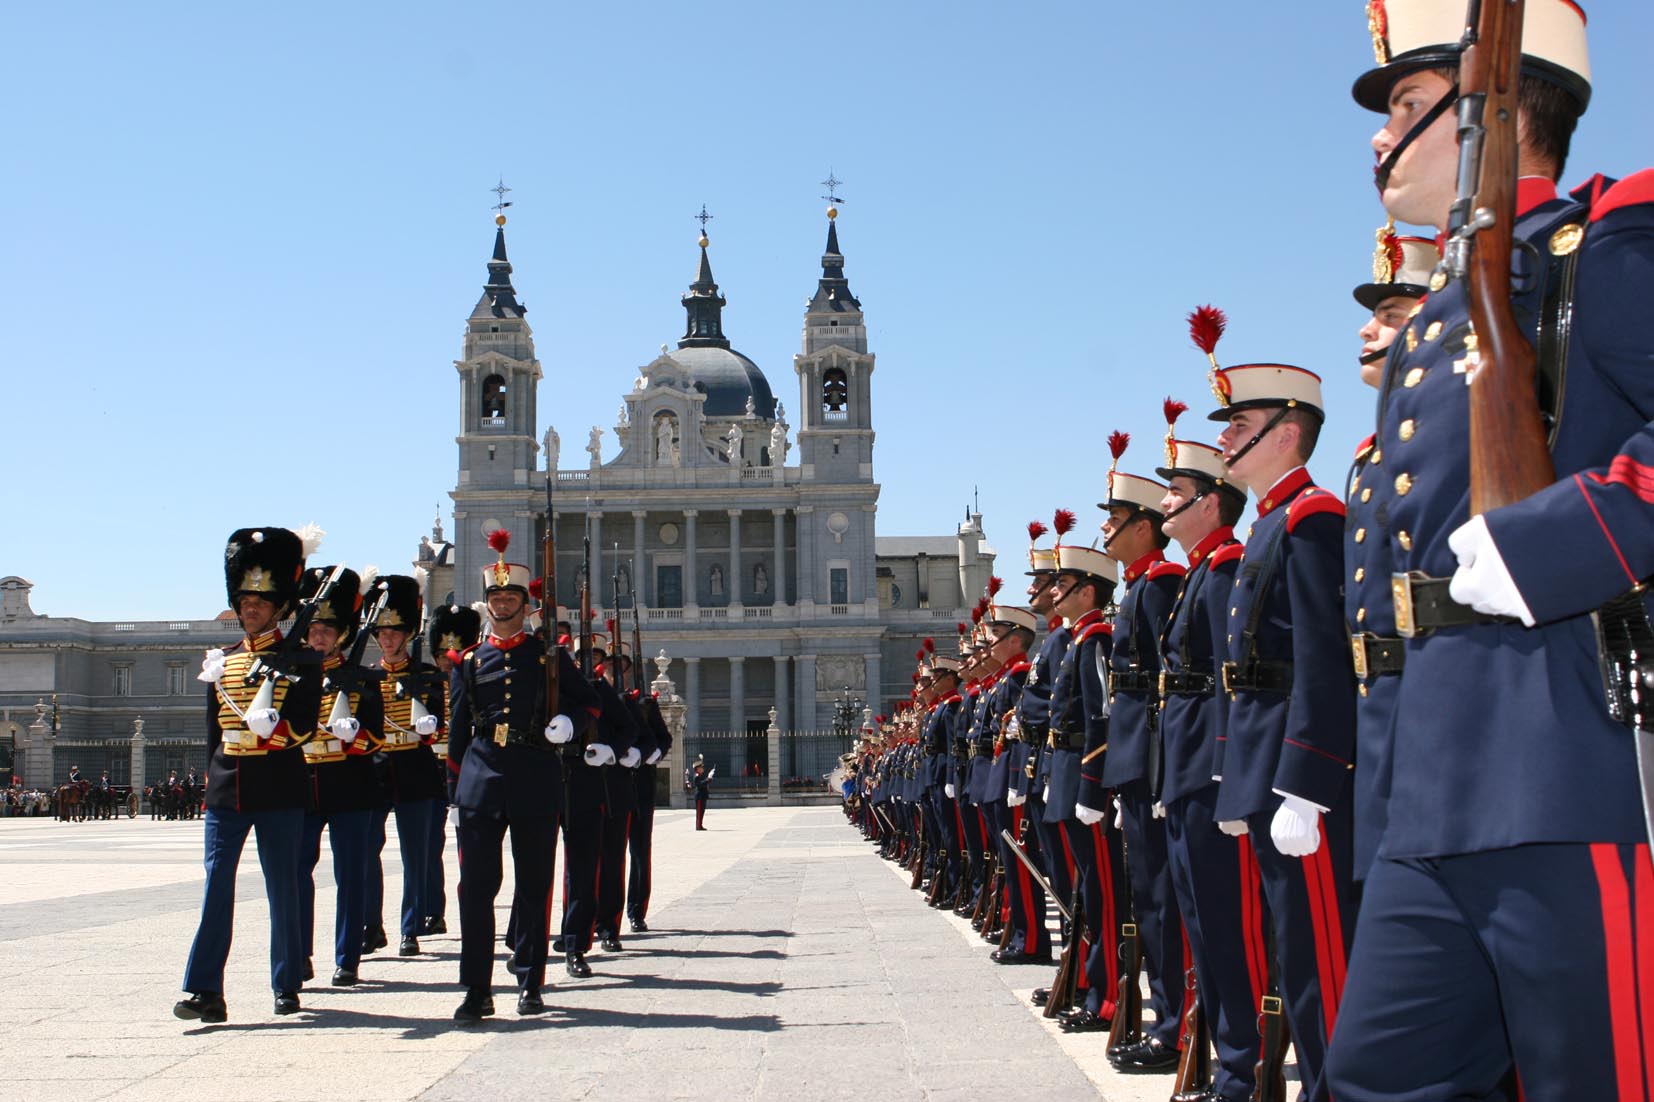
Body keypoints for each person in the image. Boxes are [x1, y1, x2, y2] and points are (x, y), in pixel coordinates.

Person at [1328, 6, 1654, 1098]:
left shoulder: (1599, 248)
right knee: (1373, 1076)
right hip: (1430, 789)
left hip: (1571, 769)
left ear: (1490, 119)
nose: (1380, 138)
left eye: (1409, 108)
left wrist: (1559, 543)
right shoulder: (1430, 324)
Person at [1208, 349, 1357, 1102]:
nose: (1226, 441)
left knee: (1323, 952)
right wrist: (1242, 785)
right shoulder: (1270, 524)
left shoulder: (1311, 518)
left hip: (1301, 784)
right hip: (1263, 777)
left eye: (1240, 425)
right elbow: (1246, 679)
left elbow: (1324, 657)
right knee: (1293, 955)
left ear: (1289, 433)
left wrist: (1307, 780)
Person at [449, 530, 600, 1021]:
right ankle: (476, 987)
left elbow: (589, 702)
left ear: (524, 602)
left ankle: (530, 978)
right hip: (481, 778)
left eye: (512, 596)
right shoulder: (470, 662)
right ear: (487, 603)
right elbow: (456, 730)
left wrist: (571, 724)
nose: (504, 603)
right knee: (475, 887)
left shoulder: (548, 656)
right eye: (496, 597)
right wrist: (454, 793)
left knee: (534, 884)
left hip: (535, 773)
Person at [176, 525, 323, 1023]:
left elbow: (305, 727)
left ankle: (286, 982)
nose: (251, 607)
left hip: (278, 787)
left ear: (281, 604)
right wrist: (210, 782)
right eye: (244, 599)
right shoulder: (224, 661)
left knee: (282, 885)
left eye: (261, 600)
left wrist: (274, 728)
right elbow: (212, 732)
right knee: (217, 883)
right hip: (226, 790)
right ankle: (204, 988)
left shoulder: (303, 660)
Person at [1155, 420, 1261, 1102]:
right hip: (1186, 766)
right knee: (1202, 924)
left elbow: (1231, 674)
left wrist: (1228, 770)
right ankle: (1225, 1057)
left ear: (1212, 504)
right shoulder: (1201, 574)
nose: (1167, 504)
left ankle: (1242, 1063)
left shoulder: (1223, 571)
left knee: (1228, 927)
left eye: (1179, 493)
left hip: (1209, 769)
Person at [1084, 434, 1187, 1068]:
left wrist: (1143, 771)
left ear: (1145, 527)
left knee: (1166, 904)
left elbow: (1161, 689)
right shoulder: (1140, 589)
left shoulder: (1160, 586)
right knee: (1150, 901)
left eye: (1115, 521)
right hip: (1136, 768)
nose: (1106, 529)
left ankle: (1179, 1023)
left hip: (1154, 767)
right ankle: (1171, 1018)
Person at [295, 566, 381, 988]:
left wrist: (355, 736)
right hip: (301, 784)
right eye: (314, 629)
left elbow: (378, 738)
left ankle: (347, 957)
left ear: (342, 634)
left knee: (351, 873)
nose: (320, 637)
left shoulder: (362, 679)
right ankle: (300, 952)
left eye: (328, 630)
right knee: (296, 873)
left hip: (350, 784)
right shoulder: (289, 678)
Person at [367, 573, 445, 958]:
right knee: (368, 849)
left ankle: (410, 927)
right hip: (376, 765)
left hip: (416, 763)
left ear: (408, 634)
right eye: (382, 632)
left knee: (415, 854)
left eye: (395, 632)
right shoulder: (366, 679)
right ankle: (371, 923)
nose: (388, 638)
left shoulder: (428, 677)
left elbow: (442, 720)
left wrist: (433, 725)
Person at [422, 601, 481, 935]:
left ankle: (471, 904)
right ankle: (433, 909)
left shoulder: (475, 683)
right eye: (443, 653)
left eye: (454, 652)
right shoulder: (425, 683)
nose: (448, 658)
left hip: (465, 771)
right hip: (431, 770)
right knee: (429, 844)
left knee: (469, 846)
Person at [690, 758, 714, 829]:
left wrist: (709, 778)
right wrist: (708, 779)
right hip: (700, 797)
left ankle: (700, 825)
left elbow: (704, 782)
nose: (703, 768)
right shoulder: (697, 776)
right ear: (697, 768)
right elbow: (700, 784)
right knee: (700, 812)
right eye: (701, 767)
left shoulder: (700, 776)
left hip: (702, 796)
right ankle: (698, 826)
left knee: (702, 812)